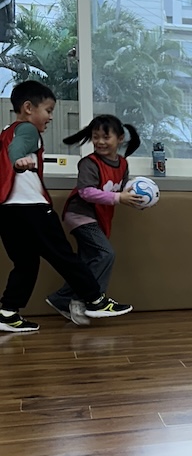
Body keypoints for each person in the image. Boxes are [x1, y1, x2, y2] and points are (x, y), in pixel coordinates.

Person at [0, 81, 133, 333]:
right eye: (48, 110)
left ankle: (8, 312)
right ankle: (95, 299)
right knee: (64, 256)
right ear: (28, 108)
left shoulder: (6, 132)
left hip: (7, 211)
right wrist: (19, 160)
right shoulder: (27, 129)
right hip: (32, 208)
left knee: (26, 264)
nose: (50, 117)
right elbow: (17, 150)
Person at [46, 114, 144, 325]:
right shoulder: (89, 163)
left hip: (98, 217)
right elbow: (86, 192)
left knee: (87, 263)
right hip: (79, 215)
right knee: (105, 253)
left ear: (120, 138)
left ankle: (62, 298)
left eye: (106, 137)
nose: (100, 142)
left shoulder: (123, 163)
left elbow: (122, 188)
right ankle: (91, 301)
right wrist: (119, 198)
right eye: (95, 137)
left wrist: (138, 197)